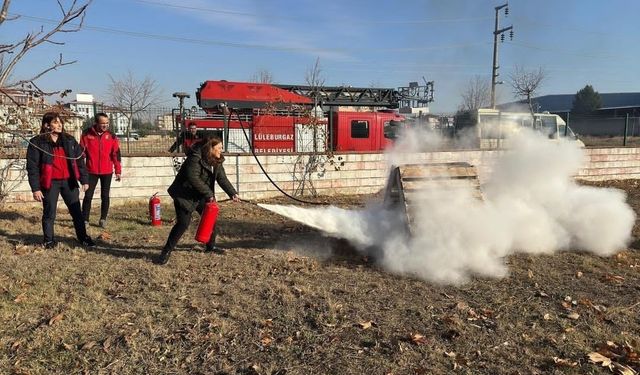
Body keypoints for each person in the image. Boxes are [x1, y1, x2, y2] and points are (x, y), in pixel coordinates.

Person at [157, 136, 241, 265]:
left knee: (210, 219)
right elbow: (193, 177)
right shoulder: (195, 158)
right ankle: (166, 251)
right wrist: (209, 194)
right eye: (219, 148)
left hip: (201, 195)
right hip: (185, 194)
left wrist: (232, 193)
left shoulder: (216, 160)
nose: (221, 150)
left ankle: (210, 246)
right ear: (210, 148)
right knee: (183, 224)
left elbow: (222, 178)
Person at [26, 112, 96, 249]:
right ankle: (49, 240)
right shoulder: (37, 142)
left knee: (76, 211)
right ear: (47, 125)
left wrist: (84, 180)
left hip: (69, 181)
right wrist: (36, 188)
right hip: (50, 183)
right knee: (49, 212)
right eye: (55, 122)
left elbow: (79, 161)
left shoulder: (69, 140)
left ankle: (83, 238)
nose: (59, 125)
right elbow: (32, 167)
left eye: (60, 122)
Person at [80, 113, 122, 228]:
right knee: (88, 196)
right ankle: (85, 220)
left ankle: (103, 219)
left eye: (107, 123)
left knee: (105, 196)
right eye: (102, 123)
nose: (105, 125)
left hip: (107, 171)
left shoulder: (111, 136)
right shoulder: (86, 134)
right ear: (96, 123)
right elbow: (81, 153)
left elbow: (116, 154)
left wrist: (118, 171)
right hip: (91, 171)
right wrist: (80, 170)